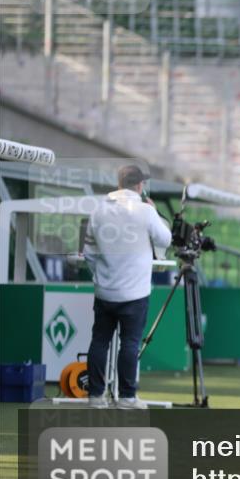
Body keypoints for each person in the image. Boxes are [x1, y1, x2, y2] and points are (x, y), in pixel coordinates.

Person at [82, 165, 172, 409]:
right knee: (129, 344)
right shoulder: (146, 211)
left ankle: (96, 396)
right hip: (135, 293)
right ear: (140, 186)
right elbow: (165, 239)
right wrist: (154, 211)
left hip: (105, 291)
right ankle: (127, 397)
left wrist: (100, 276)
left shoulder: (99, 211)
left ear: (119, 184)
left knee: (99, 342)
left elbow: (88, 254)